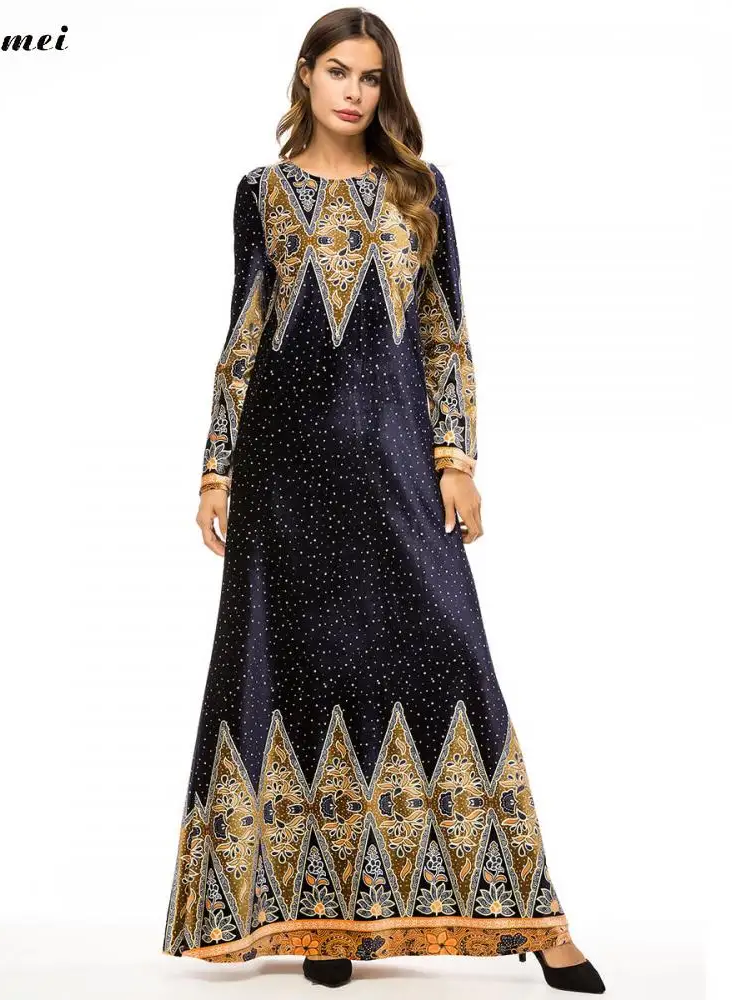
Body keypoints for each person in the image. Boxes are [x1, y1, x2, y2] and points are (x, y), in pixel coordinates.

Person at [162, 8, 605, 993]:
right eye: (338, 71)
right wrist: (215, 471)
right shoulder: (262, 193)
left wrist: (457, 460)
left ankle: (542, 923)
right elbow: (244, 333)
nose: (354, 92)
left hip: (397, 468)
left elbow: (444, 332)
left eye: (370, 77)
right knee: (304, 673)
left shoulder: (419, 190)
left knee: (452, 657)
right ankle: (326, 923)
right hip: (285, 475)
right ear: (306, 76)